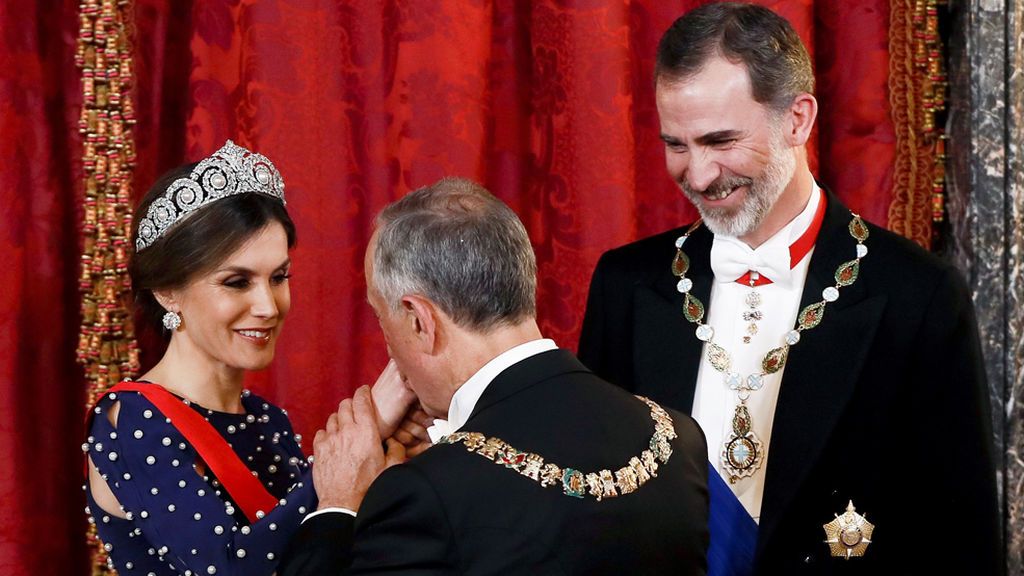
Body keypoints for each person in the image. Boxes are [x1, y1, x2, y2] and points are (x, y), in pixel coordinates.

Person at [577, 3, 1001, 574]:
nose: (698, 176)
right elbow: (590, 514)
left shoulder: (917, 296)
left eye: (721, 141)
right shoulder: (625, 285)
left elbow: (959, 545)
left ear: (798, 119)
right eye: (677, 145)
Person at [277, 177, 709, 575]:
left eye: (381, 318)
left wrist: (336, 508)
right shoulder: (679, 436)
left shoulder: (424, 493)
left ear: (418, 320)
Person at [83, 141, 416, 575]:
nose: (268, 305)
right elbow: (229, 568)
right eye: (237, 282)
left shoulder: (266, 419)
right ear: (167, 292)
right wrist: (366, 426)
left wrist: (385, 449)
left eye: (279, 277)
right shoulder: (130, 417)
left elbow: (317, 556)